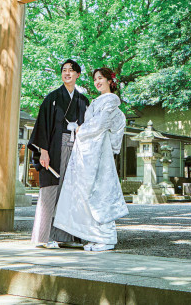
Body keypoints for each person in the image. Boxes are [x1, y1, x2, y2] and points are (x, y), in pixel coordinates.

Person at [54, 67, 128, 251]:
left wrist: (81, 130)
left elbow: (101, 123)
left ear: (111, 81)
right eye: (95, 79)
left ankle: (107, 238)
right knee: (86, 191)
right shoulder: (98, 101)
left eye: (101, 78)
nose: (97, 82)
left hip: (99, 151)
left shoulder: (111, 101)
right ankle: (94, 235)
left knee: (99, 192)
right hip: (89, 150)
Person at [27, 59, 90, 248]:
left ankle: (67, 237)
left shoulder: (83, 101)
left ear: (78, 75)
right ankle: (43, 237)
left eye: (72, 70)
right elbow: (42, 127)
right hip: (54, 148)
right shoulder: (52, 98)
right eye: (64, 70)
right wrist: (43, 152)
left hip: (76, 149)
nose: (67, 73)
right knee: (50, 191)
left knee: (70, 193)